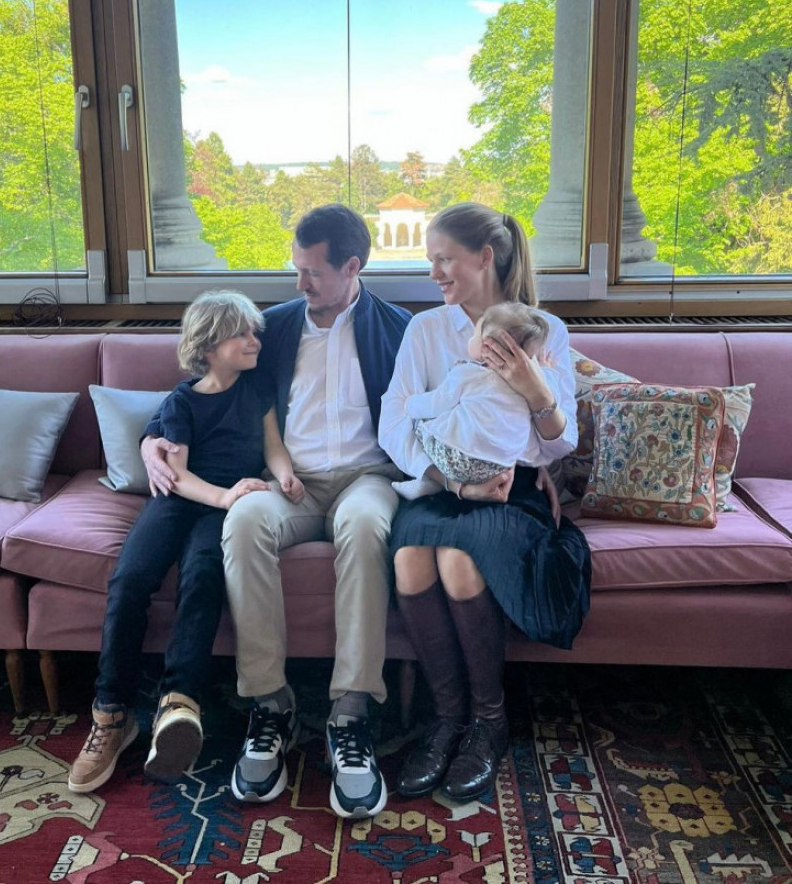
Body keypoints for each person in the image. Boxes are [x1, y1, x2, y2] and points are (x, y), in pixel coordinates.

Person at [142, 205, 411, 820]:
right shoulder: (275, 327)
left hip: (368, 479)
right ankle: (269, 704)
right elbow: (199, 386)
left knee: (365, 525)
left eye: (312, 272)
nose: (299, 282)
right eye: (297, 269)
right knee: (241, 521)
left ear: (352, 267)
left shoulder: (399, 329)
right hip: (290, 482)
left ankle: (350, 710)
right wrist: (150, 437)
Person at [378, 202, 591, 804]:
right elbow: (395, 419)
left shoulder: (544, 330)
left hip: (512, 487)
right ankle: (447, 719)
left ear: (486, 257)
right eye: (431, 261)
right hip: (441, 482)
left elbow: (560, 442)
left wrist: (534, 389)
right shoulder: (426, 330)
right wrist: (451, 484)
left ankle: (488, 721)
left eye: (444, 260)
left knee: (458, 560)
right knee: (410, 558)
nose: (434, 274)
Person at [68, 290, 304, 795]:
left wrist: (284, 475)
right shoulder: (182, 400)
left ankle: (179, 705)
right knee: (129, 580)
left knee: (202, 576)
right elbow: (176, 476)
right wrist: (227, 496)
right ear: (209, 345)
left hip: (225, 508)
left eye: (254, 331)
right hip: (184, 500)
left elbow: (273, 446)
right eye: (241, 334)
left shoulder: (258, 388)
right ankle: (111, 714)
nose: (254, 340)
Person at [392, 302, 559, 501]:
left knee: (422, 423)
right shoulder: (530, 382)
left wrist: (410, 405)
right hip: (501, 465)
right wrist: (546, 369)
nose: (470, 339)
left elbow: (437, 402)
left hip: (459, 461)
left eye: (474, 335)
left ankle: (428, 482)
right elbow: (550, 390)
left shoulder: (468, 374)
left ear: (486, 346)